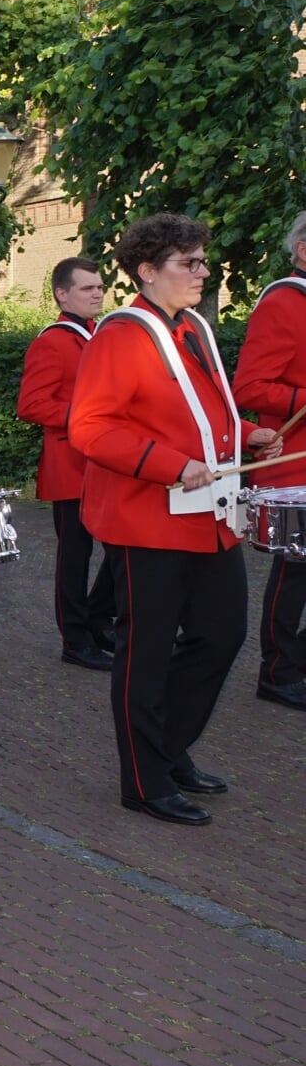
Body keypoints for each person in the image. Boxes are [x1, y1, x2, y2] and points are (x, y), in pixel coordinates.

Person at [71, 213, 278, 826]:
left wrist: (244, 436)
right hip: (147, 520)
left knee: (221, 636)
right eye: (189, 262)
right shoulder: (120, 334)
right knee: (148, 650)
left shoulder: (192, 327)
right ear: (147, 270)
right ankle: (143, 777)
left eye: (202, 260)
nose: (203, 270)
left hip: (207, 515)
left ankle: (167, 749)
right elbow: (91, 427)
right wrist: (169, 464)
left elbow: (199, 412)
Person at [17, 257, 118, 672]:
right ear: (62, 294)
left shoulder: (104, 334)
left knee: (121, 549)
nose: (97, 293)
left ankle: (97, 618)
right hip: (71, 465)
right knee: (74, 559)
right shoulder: (53, 341)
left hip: (108, 464)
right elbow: (31, 405)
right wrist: (88, 414)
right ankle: (74, 639)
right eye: (87, 288)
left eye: (99, 287)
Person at [231, 213, 306, 709]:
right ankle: (278, 671)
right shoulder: (284, 301)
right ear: (302, 251)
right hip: (295, 458)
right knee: (296, 571)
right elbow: (250, 387)